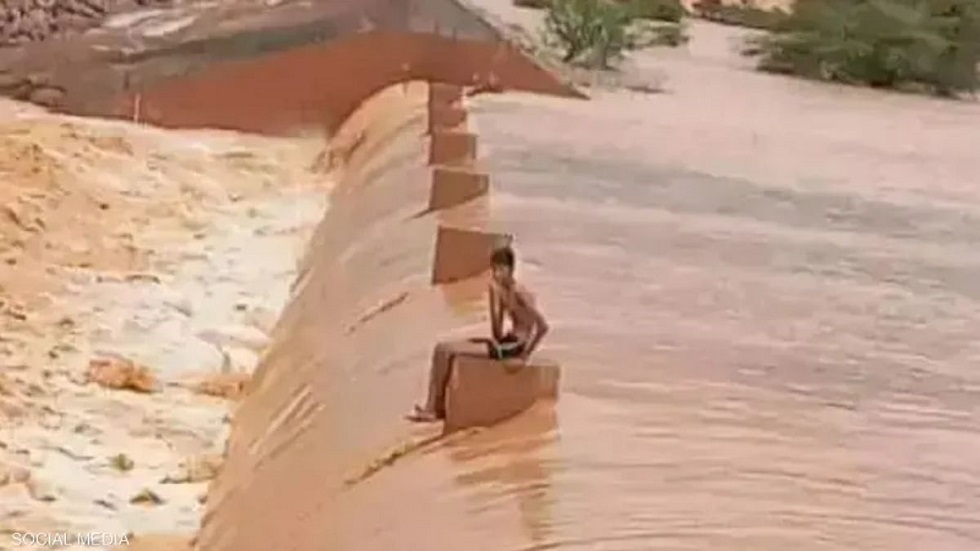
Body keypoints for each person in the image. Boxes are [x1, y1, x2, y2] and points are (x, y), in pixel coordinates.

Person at [407, 244, 550, 423]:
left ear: (510, 269)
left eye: (501, 269)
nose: (497, 273)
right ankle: (436, 407)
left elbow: (542, 326)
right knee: (442, 348)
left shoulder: (519, 292)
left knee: (444, 350)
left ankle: (433, 409)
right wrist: (495, 300)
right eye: (494, 269)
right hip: (505, 341)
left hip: (514, 347)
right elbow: (497, 332)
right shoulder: (502, 291)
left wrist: (524, 355)